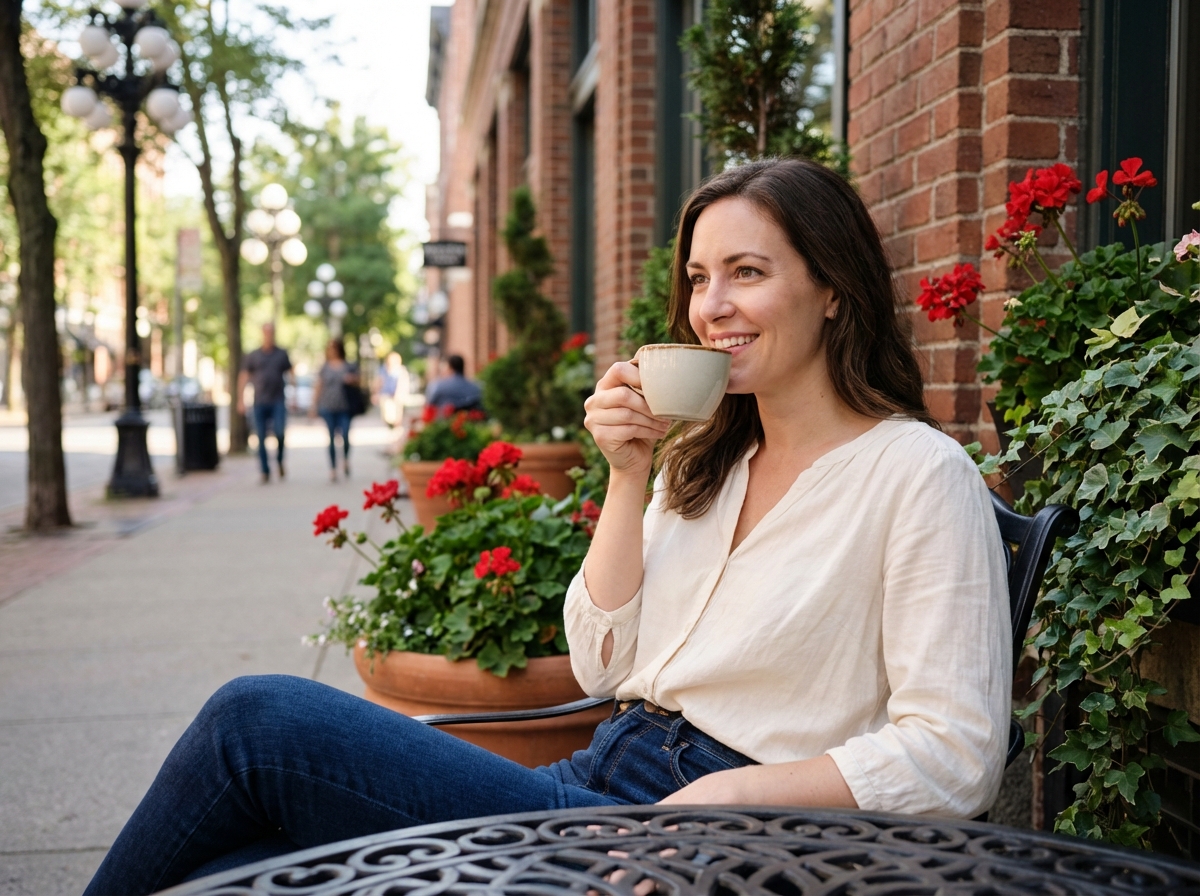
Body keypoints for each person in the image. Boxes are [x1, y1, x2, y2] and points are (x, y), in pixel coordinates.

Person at [84, 159, 1009, 896]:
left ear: (835, 289)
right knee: (225, 871)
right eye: (698, 278)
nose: (711, 305)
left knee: (256, 724)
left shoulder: (915, 474)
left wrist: (721, 800)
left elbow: (954, 755)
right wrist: (629, 472)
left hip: (722, 839)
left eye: (748, 273)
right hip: (597, 784)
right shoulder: (707, 462)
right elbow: (604, 666)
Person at [237, 323, 292, 484]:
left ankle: (280, 460)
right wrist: (240, 399)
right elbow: (244, 377)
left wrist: (294, 396)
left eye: (271, 333)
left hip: (278, 401)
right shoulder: (253, 355)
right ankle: (265, 470)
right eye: (266, 333)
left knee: (280, 433)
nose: (269, 335)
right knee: (260, 437)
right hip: (259, 401)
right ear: (262, 334)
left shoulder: (281, 354)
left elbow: (291, 372)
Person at [309, 337, 359, 482]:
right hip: (327, 406)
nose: (332, 351)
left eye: (334, 348)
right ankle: (333, 469)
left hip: (345, 406)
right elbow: (319, 386)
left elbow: (359, 380)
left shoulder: (348, 365)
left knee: (345, 436)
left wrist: (352, 379)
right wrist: (314, 405)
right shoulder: (324, 367)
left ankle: (345, 460)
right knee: (331, 438)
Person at [377, 351, 410, 429]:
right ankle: (391, 428)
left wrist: (400, 394)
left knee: (397, 414)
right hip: (385, 395)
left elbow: (403, 382)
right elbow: (379, 381)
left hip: (397, 395)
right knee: (386, 415)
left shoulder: (401, 370)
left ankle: (396, 429)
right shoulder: (383, 369)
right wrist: (376, 393)